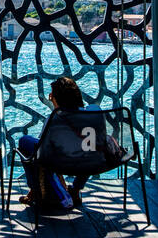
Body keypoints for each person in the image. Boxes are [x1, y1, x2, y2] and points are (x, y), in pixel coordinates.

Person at [18, 75, 98, 211]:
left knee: (25, 141)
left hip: (59, 163)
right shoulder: (91, 114)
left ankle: (35, 189)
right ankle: (76, 189)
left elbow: (42, 148)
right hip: (87, 161)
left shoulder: (55, 118)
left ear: (58, 99)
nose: (51, 99)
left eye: (51, 96)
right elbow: (93, 145)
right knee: (88, 153)